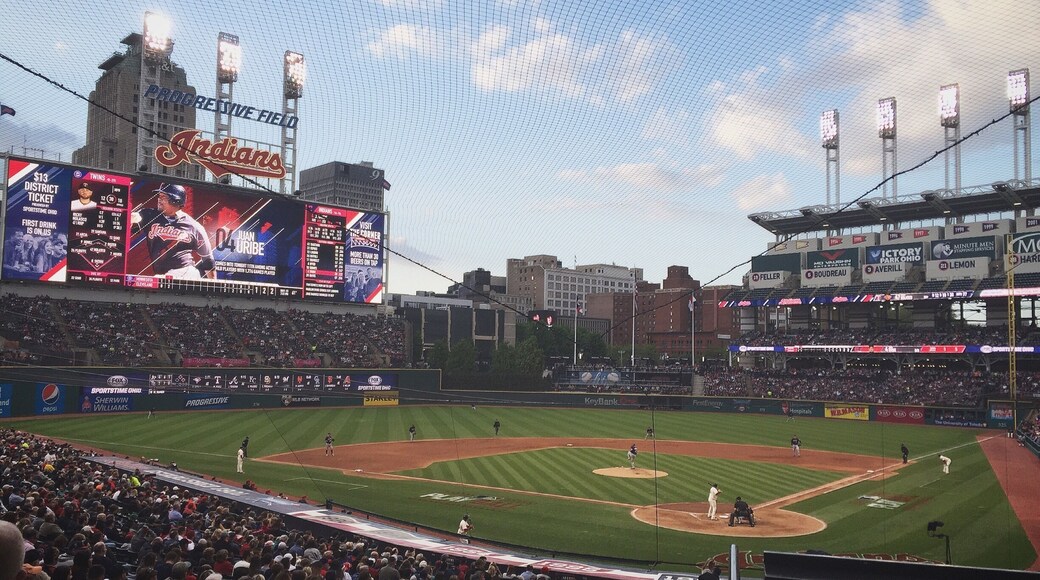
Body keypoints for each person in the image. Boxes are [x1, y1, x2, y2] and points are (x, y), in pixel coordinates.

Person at [131, 183, 216, 279]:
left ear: (176, 201)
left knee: (157, 281)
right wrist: (130, 216)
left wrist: (213, 288)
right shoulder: (149, 215)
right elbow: (135, 219)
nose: (159, 200)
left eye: (164, 197)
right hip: (164, 275)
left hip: (186, 273)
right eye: (159, 196)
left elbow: (208, 260)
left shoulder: (194, 226)